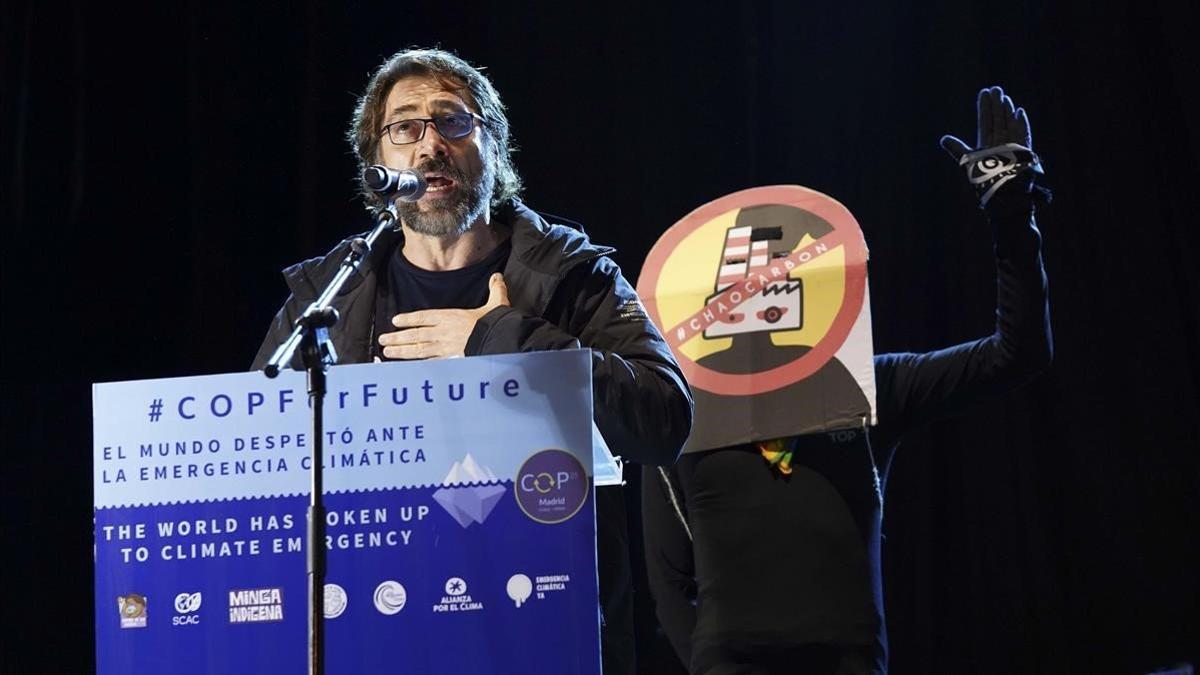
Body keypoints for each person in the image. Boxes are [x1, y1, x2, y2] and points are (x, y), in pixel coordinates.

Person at [251, 48, 694, 675]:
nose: (430, 144)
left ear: (492, 147)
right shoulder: (331, 297)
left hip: (540, 629)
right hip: (378, 627)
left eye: (452, 121)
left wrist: (503, 336)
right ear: (377, 162)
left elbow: (666, 416)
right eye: (405, 127)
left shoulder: (571, 277)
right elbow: (257, 456)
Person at [641, 86, 1053, 675]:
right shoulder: (681, 411)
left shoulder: (864, 390)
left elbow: (1018, 355)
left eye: (774, 286)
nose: (758, 300)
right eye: (741, 290)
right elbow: (667, 580)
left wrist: (1013, 218)